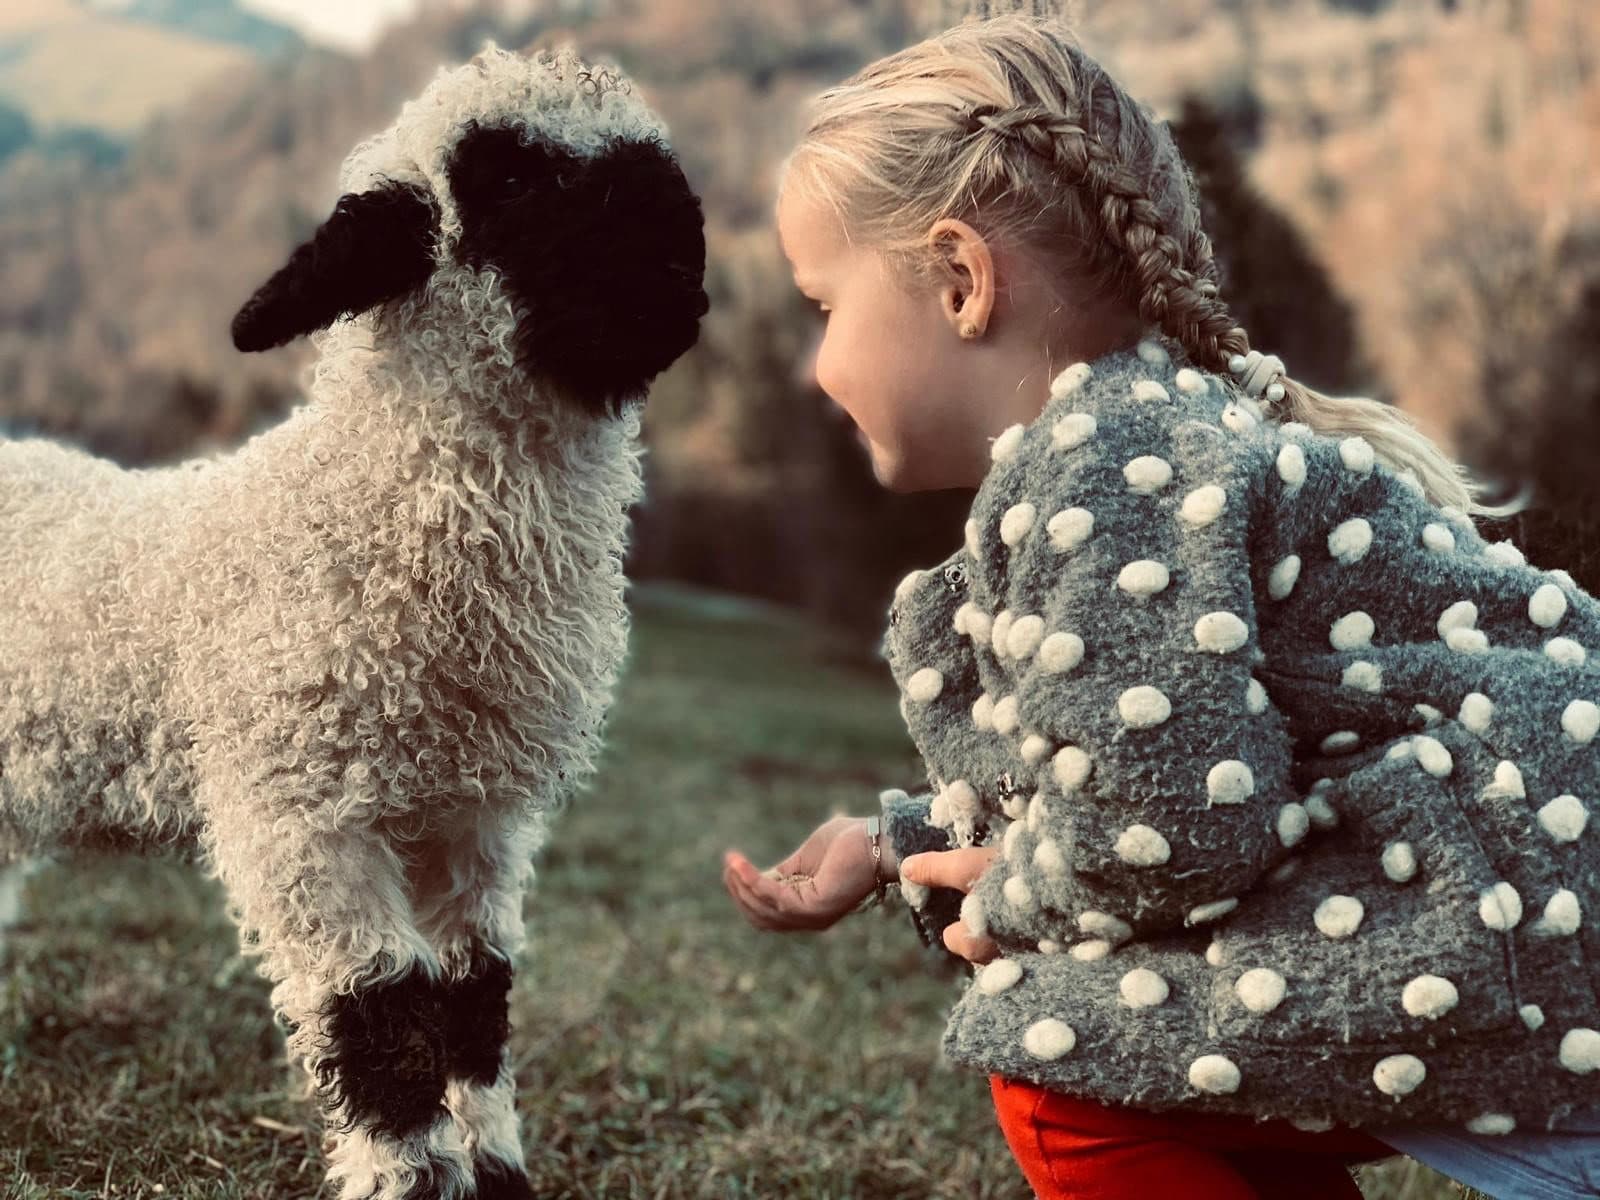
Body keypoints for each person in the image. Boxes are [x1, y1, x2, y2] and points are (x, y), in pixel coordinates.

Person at [721, 13, 1600, 1200]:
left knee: (1064, 1068)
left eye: (824, 306)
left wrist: (1009, 907)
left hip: (1524, 920)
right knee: (1129, 1047)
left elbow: (1167, 830)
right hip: (1528, 905)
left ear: (959, 278)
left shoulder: (1107, 459)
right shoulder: (1157, 432)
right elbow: (1120, 766)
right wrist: (897, 848)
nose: (811, 366)